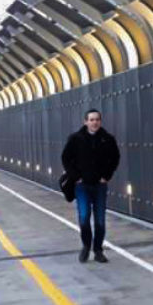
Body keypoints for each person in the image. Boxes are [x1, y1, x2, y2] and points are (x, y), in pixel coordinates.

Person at [61, 109, 120, 263]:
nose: (94, 122)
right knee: (84, 218)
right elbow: (66, 158)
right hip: (82, 186)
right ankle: (86, 246)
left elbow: (115, 158)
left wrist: (106, 176)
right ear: (85, 122)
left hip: (100, 186)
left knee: (100, 220)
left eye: (97, 119)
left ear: (100, 121)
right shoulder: (75, 139)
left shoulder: (107, 139)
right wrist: (76, 177)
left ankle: (98, 250)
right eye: (91, 119)